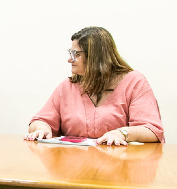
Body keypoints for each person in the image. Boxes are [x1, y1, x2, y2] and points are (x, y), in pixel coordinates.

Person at [25, 26, 164, 145]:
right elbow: (40, 120)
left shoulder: (134, 82)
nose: (69, 59)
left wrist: (122, 133)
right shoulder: (68, 86)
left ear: (95, 57)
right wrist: (42, 128)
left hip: (121, 167)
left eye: (76, 54)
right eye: (70, 53)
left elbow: (151, 129)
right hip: (74, 167)